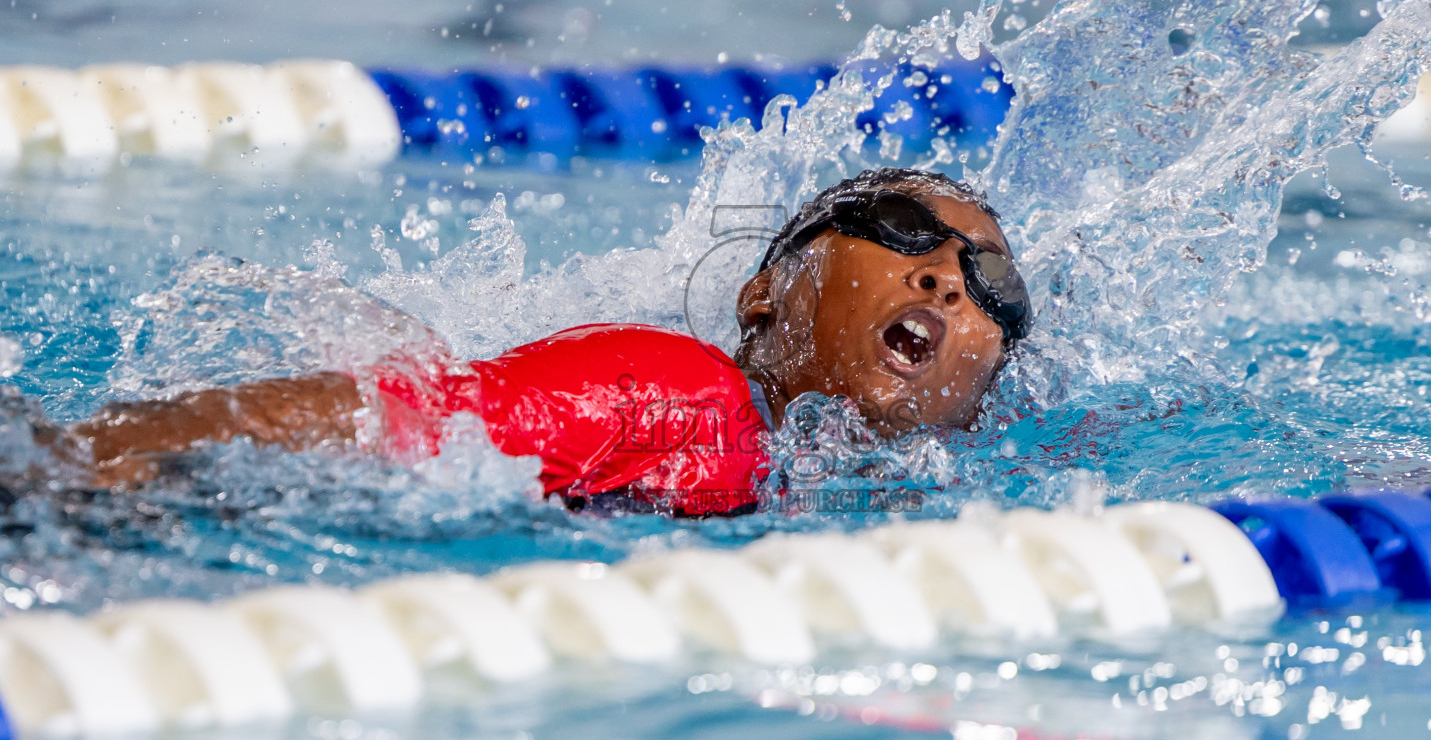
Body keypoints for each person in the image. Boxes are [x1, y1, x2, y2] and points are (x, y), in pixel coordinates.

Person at [47, 167, 1032, 516]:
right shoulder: (680, 391)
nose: (945, 276)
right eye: (903, 232)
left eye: (992, 284)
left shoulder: (799, 480)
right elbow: (397, 421)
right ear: (765, 294)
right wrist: (75, 468)